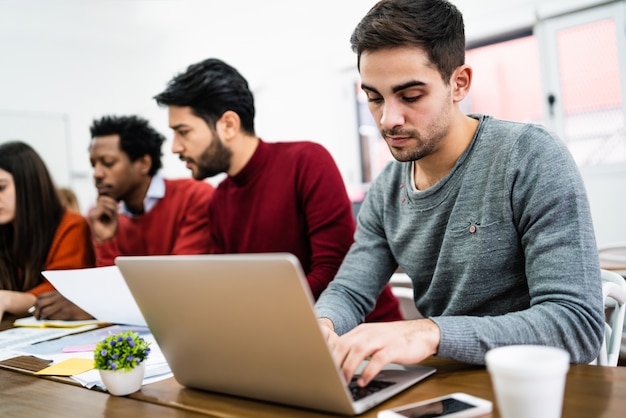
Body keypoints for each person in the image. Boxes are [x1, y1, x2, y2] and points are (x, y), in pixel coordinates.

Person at [314, 0, 605, 388]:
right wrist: (322, 326)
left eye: (411, 96)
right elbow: (350, 290)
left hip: (539, 389)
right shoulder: (386, 189)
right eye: (375, 97)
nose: (388, 119)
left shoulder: (530, 158)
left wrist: (428, 333)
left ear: (459, 83)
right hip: (444, 386)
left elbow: (576, 325)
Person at [154, 58, 402, 322]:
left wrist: (254, 314)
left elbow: (334, 272)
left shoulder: (306, 161)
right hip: (283, 334)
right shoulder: (220, 200)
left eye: (183, 132)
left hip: (362, 337)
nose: (176, 148)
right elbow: (227, 287)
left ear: (228, 125)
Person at [87, 115, 214, 266]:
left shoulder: (193, 196)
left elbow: (181, 277)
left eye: (108, 163)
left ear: (144, 163)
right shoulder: (103, 218)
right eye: (94, 165)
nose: (97, 174)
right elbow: (107, 286)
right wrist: (105, 241)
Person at [0, 141, 95, 321]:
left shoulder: (71, 226)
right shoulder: (5, 230)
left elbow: (61, 293)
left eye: (1, 188)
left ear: (27, 185)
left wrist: (7, 300)